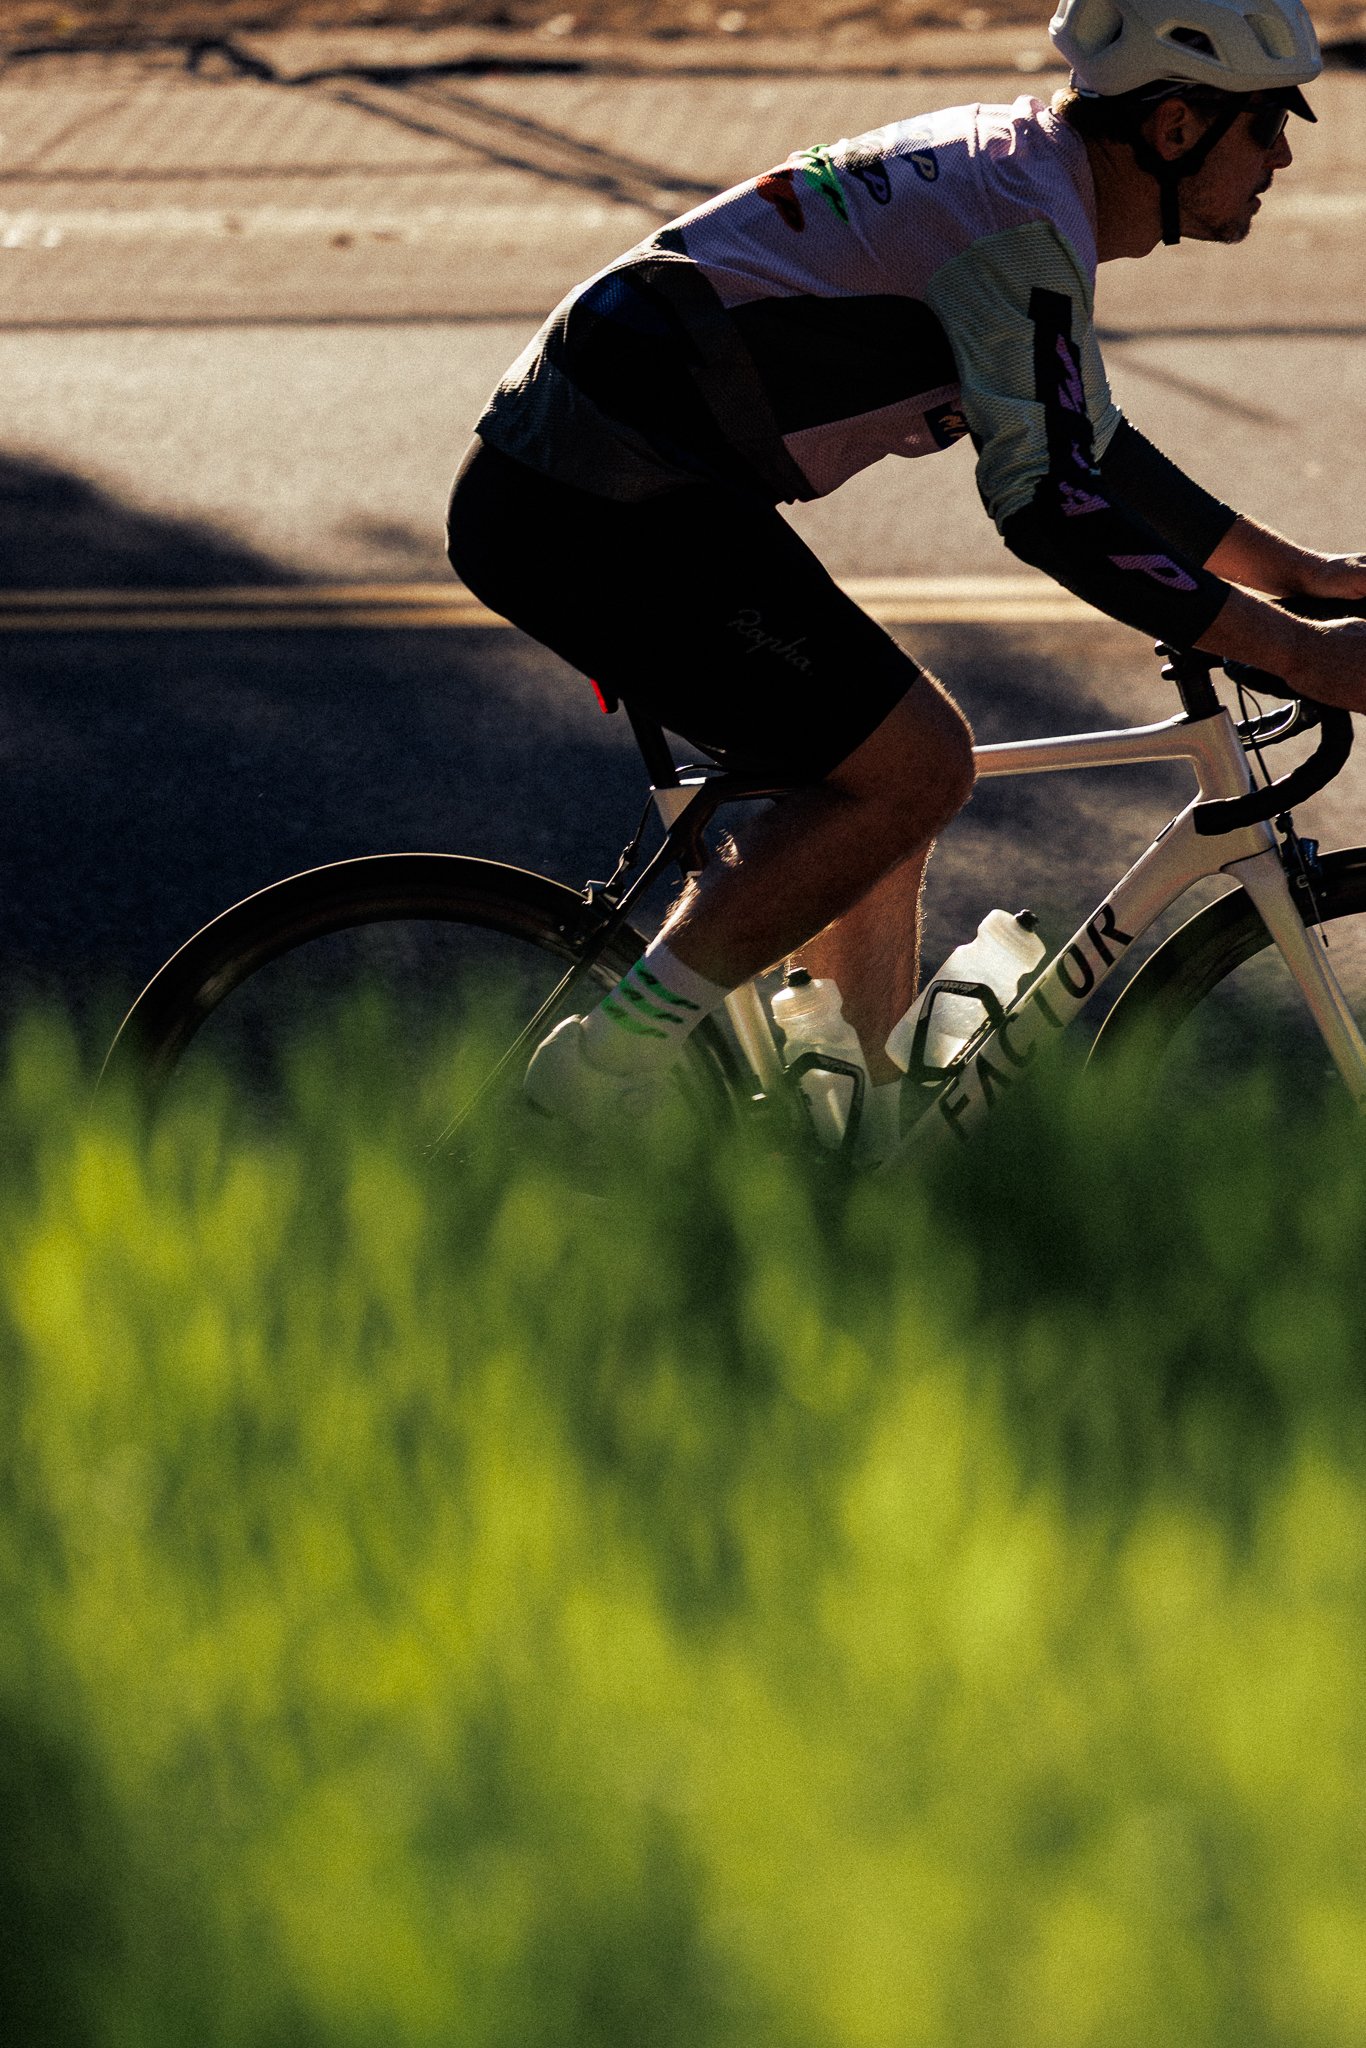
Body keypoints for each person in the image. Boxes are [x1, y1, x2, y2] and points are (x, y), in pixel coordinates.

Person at [446, 0, 1366, 1162]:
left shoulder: (1029, 184)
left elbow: (1095, 451)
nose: (1283, 156)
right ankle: (597, 1068)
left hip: (620, 475)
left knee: (884, 780)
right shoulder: (1019, 229)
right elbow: (1051, 508)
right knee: (914, 761)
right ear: (1176, 125)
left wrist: (1304, 576)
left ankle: (852, 1152)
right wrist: (1297, 650)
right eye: (1268, 124)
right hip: (590, 497)